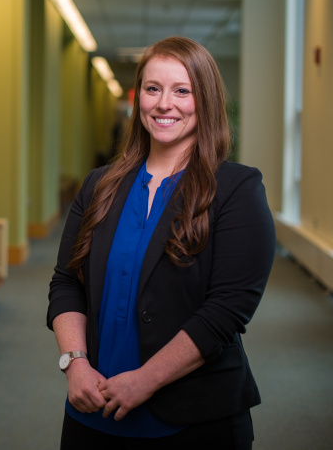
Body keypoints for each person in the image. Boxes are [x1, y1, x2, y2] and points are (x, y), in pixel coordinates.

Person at [47, 36, 275, 450]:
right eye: (153, 89)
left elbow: (227, 310)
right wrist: (74, 364)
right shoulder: (99, 186)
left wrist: (144, 381)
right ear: (140, 99)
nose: (164, 104)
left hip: (195, 419)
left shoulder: (237, 189)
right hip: (92, 409)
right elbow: (66, 283)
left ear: (203, 101)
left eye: (182, 91)